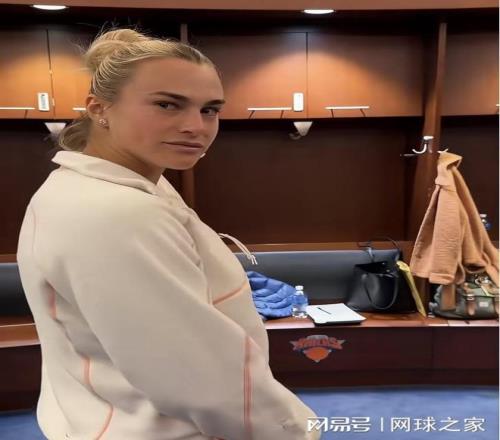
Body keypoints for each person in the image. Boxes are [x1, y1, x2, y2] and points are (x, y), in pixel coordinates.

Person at [16, 28, 321, 440]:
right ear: (98, 107)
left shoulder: (108, 187)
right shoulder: (116, 213)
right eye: (167, 104)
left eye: (210, 110)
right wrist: (292, 431)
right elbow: (204, 382)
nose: (196, 126)